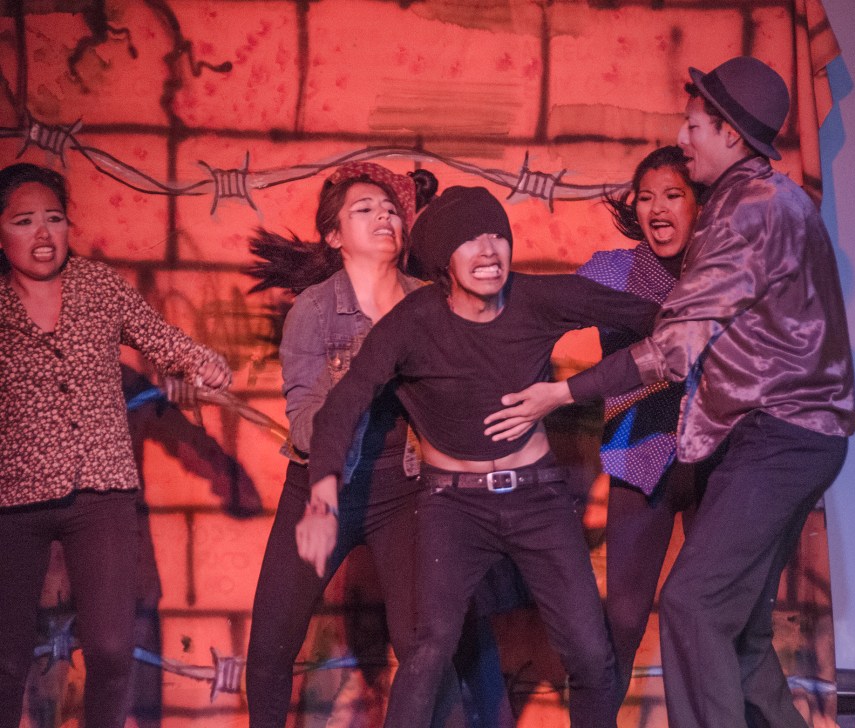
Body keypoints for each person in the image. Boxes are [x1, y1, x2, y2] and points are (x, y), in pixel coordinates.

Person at [486, 57, 855, 728]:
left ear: (730, 134)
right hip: (724, 447)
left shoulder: (745, 211)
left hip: (770, 441)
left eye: (693, 127)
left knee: (692, 605)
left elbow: (672, 349)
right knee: (737, 630)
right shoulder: (774, 202)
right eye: (646, 195)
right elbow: (558, 301)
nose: (683, 140)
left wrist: (560, 395)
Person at [298, 185, 660, 728]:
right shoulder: (412, 323)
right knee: (428, 649)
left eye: (497, 236)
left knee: (591, 653)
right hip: (453, 507)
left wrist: (570, 392)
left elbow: (663, 324)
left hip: (538, 497)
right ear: (444, 259)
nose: (489, 250)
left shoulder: (539, 298)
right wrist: (323, 493)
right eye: (470, 240)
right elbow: (343, 405)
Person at [245, 162, 512, 728]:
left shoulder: (433, 302)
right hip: (322, 487)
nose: (384, 217)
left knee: (426, 645)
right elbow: (304, 425)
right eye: (363, 209)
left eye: (391, 209)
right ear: (334, 235)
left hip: (407, 488)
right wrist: (373, 355)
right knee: (270, 645)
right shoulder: (314, 310)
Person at [0, 162, 231, 728]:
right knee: (6, 658)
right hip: (13, 501)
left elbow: (161, 338)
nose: (43, 233)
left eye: (55, 218)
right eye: (24, 221)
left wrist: (203, 362)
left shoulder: (98, 287)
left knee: (110, 649)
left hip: (102, 492)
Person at [575, 145, 707, 708]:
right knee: (623, 621)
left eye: (673, 195)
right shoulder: (613, 271)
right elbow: (542, 307)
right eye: (646, 197)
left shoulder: (724, 273)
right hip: (639, 461)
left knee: (717, 621)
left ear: (699, 203)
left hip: (716, 465)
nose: (658, 209)